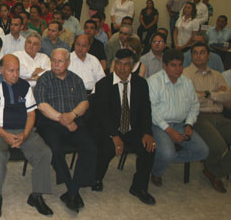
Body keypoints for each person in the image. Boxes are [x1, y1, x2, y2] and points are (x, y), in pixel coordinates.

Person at [0, 54, 53, 218]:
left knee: (44, 152)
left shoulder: (25, 86)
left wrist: (25, 134)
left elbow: (31, 114)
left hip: (23, 129)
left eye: (17, 70)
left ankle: (37, 195)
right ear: (1, 70)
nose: (15, 74)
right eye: (11, 71)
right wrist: (5, 135)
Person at [34, 48, 96, 212]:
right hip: (50, 123)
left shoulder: (76, 80)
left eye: (60, 61)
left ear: (68, 63)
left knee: (89, 147)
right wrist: (64, 119)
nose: (55, 64)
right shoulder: (44, 80)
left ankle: (72, 189)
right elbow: (42, 105)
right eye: (53, 60)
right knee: (55, 149)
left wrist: (73, 115)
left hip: (74, 120)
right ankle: (72, 189)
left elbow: (84, 103)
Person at [91, 49, 156, 205]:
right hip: (110, 129)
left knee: (149, 148)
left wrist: (147, 133)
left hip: (132, 129)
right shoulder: (104, 85)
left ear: (132, 66)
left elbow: (146, 111)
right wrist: (114, 136)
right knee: (106, 147)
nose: (121, 68)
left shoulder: (141, 84)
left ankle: (139, 187)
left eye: (126, 65)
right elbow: (102, 115)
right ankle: (97, 178)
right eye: (118, 64)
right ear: (114, 64)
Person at [147, 49, 209, 187]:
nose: (178, 69)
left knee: (203, 151)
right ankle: (157, 172)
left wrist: (189, 124)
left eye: (180, 65)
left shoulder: (187, 82)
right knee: (168, 152)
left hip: (181, 124)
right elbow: (153, 111)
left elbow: (194, 106)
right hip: (158, 125)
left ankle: (160, 158)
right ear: (164, 66)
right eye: (173, 65)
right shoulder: (154, 82)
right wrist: (170, 131)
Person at [183, 42, 231, 193]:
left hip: (219, 116)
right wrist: (216, 94)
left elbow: (228, 96)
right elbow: (191, 99)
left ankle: (212, 169)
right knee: (220, 147)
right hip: (198, 117)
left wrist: (207, 94)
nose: (198, 56)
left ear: (208, 56)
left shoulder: (217, 75)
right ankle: (214, 172)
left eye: (202, 52)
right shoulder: (185, 74)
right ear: (191, 55)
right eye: (195, 53)